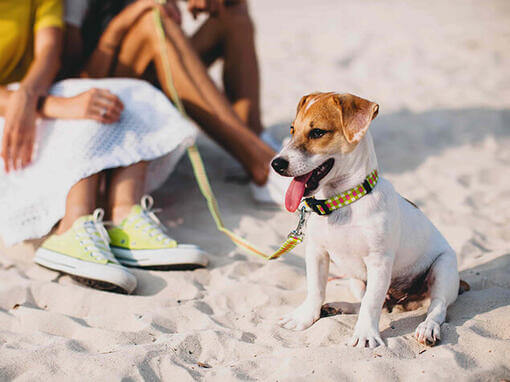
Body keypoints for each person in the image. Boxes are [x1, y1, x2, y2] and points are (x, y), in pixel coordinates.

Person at [0, 0, 209, 294]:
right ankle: (71, 229)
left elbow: (49, 53)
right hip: (7, 114)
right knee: (80, 110)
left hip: (28, 100)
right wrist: (48, 104)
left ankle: (124, 217)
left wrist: (30, 93)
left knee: (115, 96)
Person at [62, 0, 288, 203]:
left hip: (158, 69)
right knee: (152, 21)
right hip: (101, 90)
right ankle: (261, 164)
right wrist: (124, 21)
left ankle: (252, 140)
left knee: (233, 11)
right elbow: (78, 82)